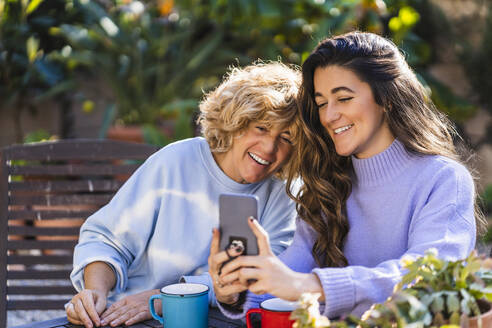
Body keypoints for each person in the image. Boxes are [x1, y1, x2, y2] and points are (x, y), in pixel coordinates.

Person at [210, 31, 485, 320]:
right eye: (321, 103)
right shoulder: (328, 186)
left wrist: (312, 286)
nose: (329, 116)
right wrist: (236, 291)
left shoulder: (443, 180)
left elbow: (429, 277)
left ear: (386, 99)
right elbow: (285, 280)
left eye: (343, 98)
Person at [65, 61, 301, 328]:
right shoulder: (175, 161)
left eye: (287, 138)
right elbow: (107, 239)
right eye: (261, 128)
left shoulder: (285, 191)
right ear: (236, 122)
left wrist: (168, 298)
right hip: (129, 317)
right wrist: (94, 292)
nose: (270, 148)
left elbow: (270, 273)